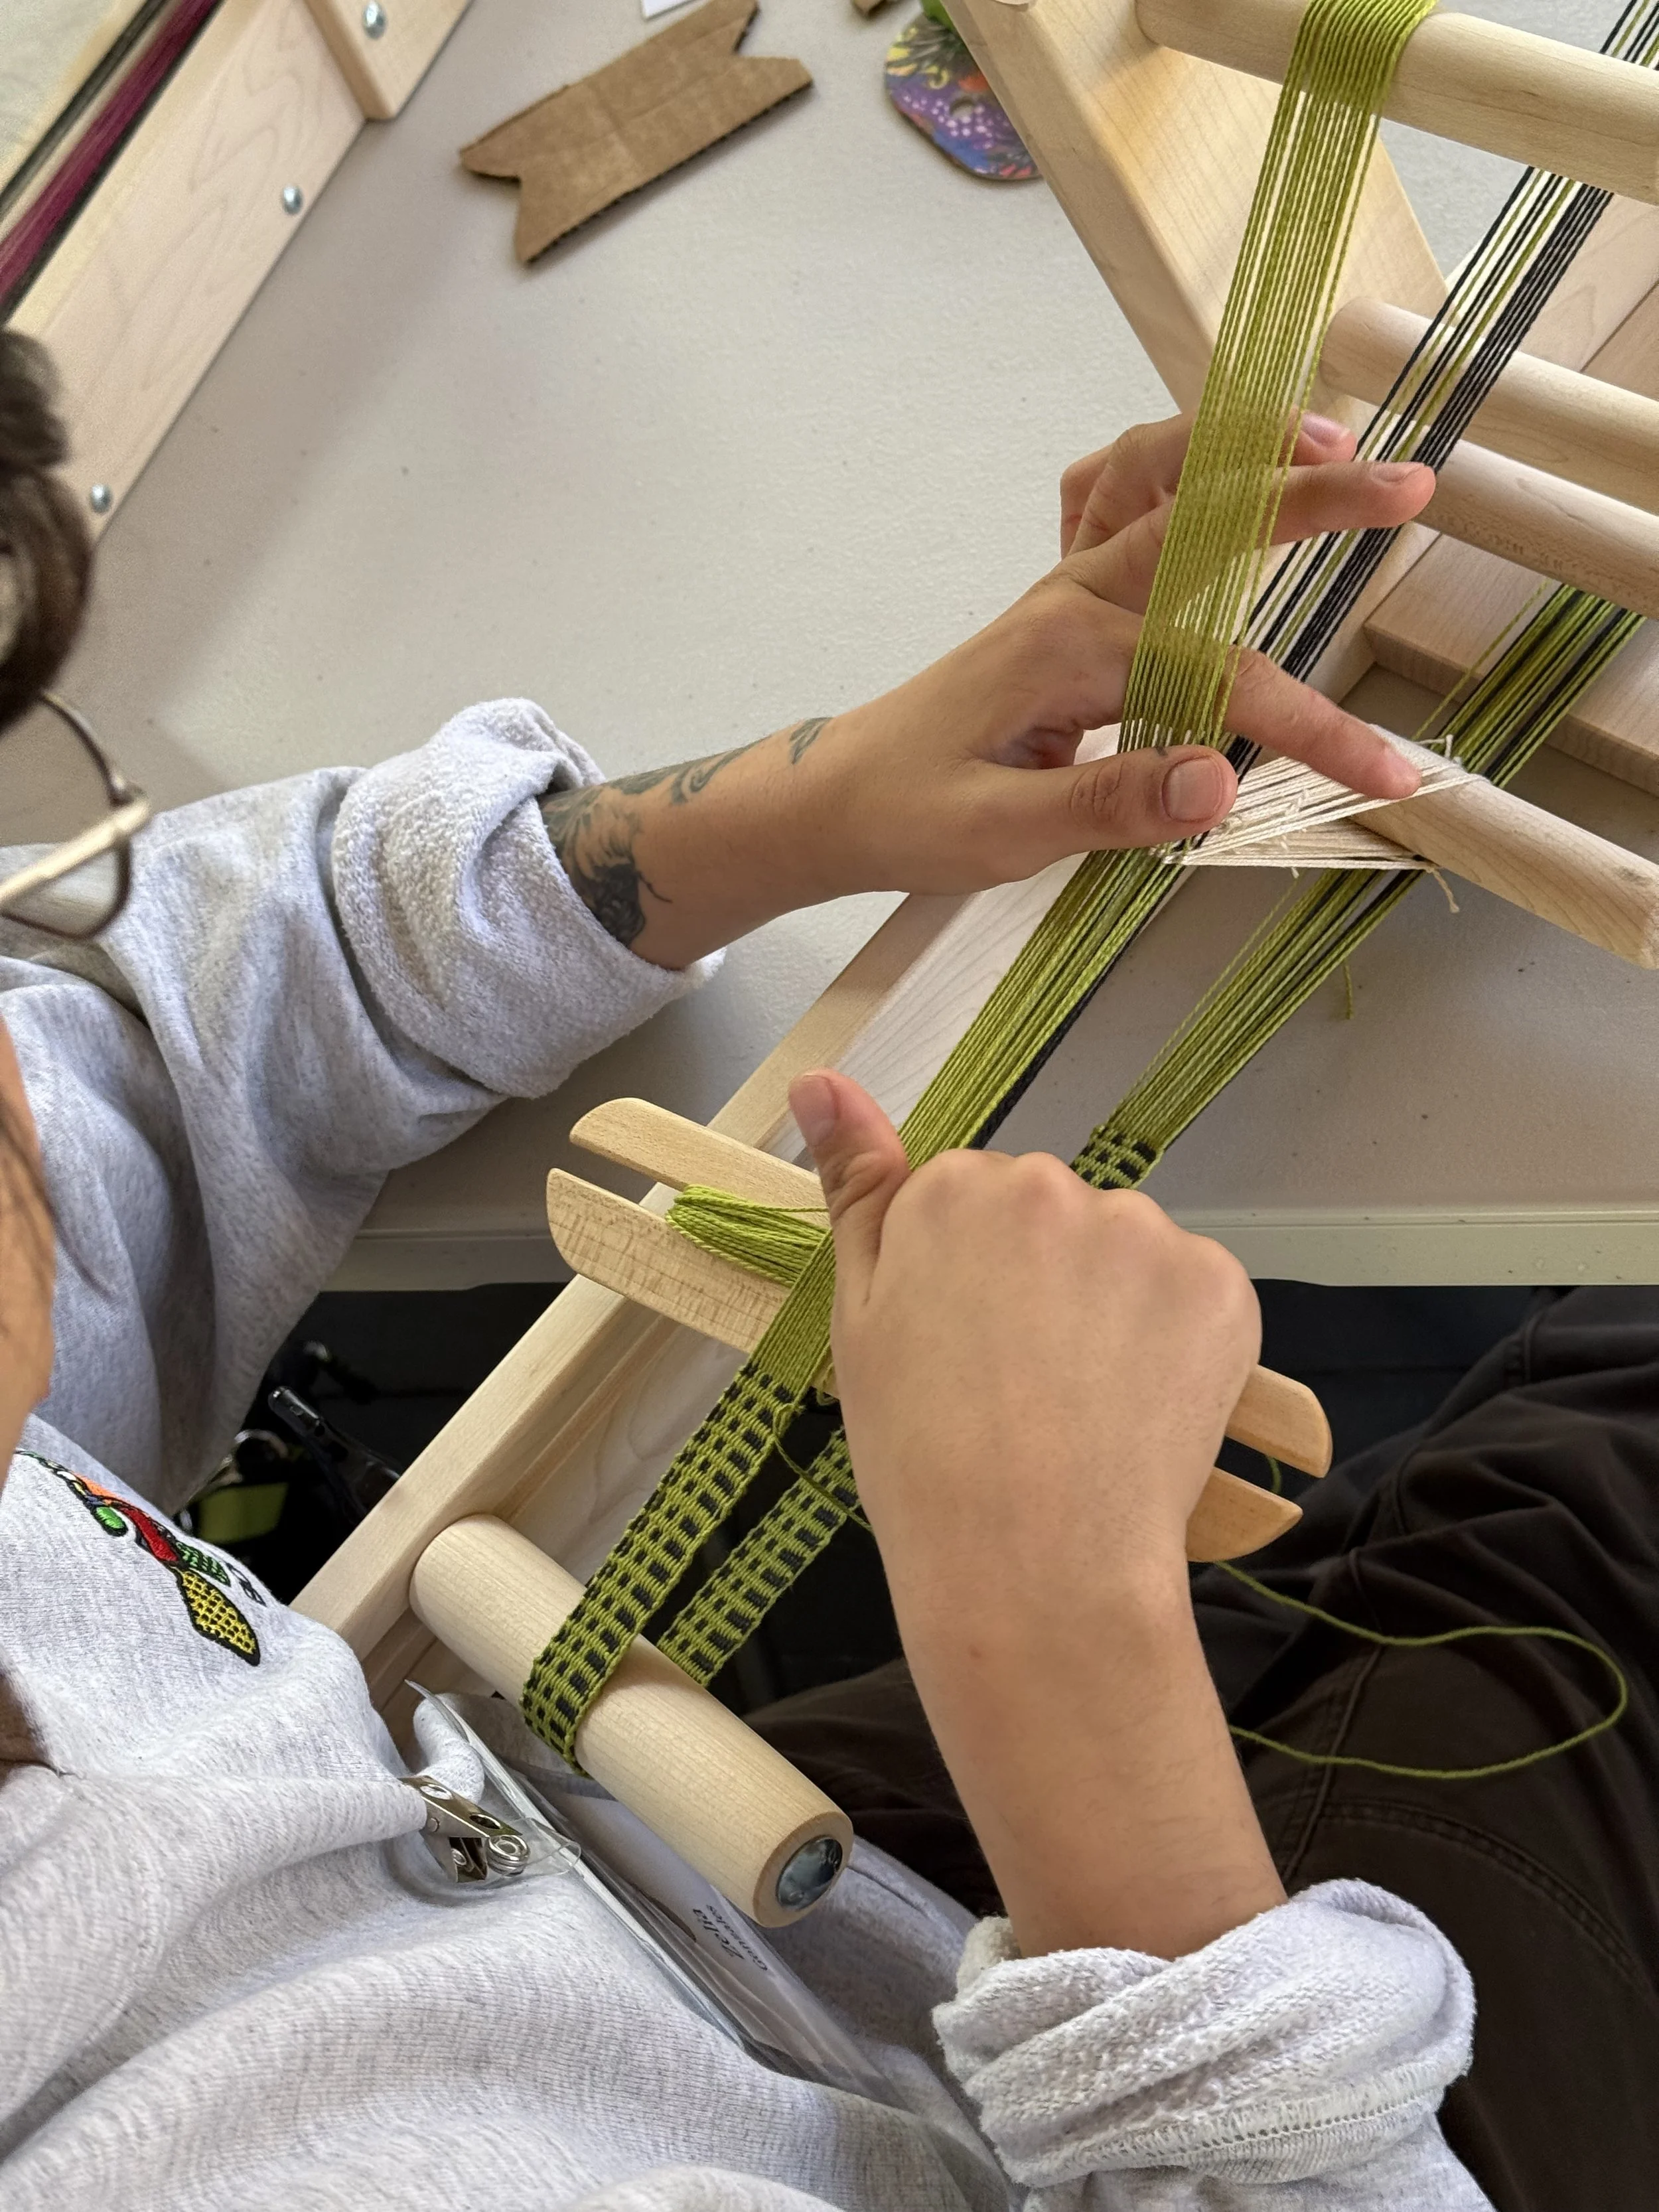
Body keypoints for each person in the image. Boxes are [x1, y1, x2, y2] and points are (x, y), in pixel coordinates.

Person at [0, 321, 1507, 2210]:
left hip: (723, 1943)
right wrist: (1059, 1662)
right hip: (1180, 2099)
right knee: (1587, 1483)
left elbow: (187, 1002)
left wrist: (804, 798)